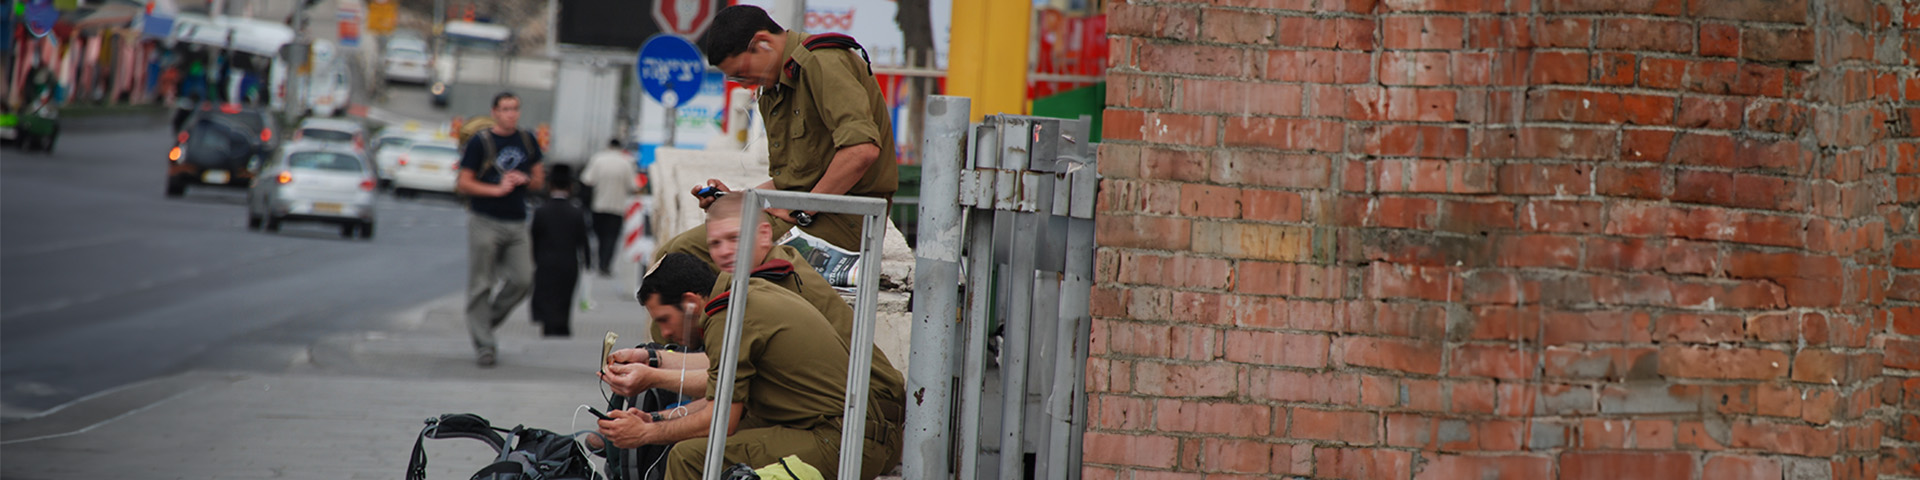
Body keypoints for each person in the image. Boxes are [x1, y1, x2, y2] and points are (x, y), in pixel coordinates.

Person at [596, 253, 899, 480]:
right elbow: (721, 388)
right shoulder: (742, 296)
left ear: (690, 303)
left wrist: (645, 434)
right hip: (849, 431)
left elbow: (719, 420)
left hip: (845, 441)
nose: (664, 335)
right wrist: (653, 419)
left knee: (689, 456)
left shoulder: (727, 315)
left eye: (664, 320)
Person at [655, 4, 898, 268]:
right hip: (811, 212)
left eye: (742, 73)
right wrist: (736, 199)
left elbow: (861, 150)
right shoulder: (774, 87)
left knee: (686, 258)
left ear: (763, 43)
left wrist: (802, 211)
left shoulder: (822, 61)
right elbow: (797, 178)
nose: (746, 84)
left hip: (844, 222)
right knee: (673, 256)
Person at [456, 91, 546, 367]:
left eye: (515, 109)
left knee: (523, 279)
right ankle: (485, 344)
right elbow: (464, 183)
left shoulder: (527, 139)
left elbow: (539, 181)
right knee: (482, 283)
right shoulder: (480, 142)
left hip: (517, 221)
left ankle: (483, 323)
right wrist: (496, 189)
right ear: (494, 112)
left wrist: (524, 178)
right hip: (485, 219)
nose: (511, 114)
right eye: (505, 109)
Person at [529, 166, 590, 337]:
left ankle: (548, 326)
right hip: (569, 262)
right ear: (570, 187)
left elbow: (534, 237)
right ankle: (562, 325)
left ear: (549, 186)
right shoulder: (576, 212)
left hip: (545, 262)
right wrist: (588, 262)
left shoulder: (541, 211)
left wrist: (535, 259)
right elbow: (583, 240)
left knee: (547, 293)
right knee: (565, 295)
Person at [581, 138, 640, 277]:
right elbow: (634, 185)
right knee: (611, 237)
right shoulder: (627, 162)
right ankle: (605, 264)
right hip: (617, 207)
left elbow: (587, 180)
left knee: (598, 235)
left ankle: (596, 261)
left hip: (598, 205)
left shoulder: (598, 159)